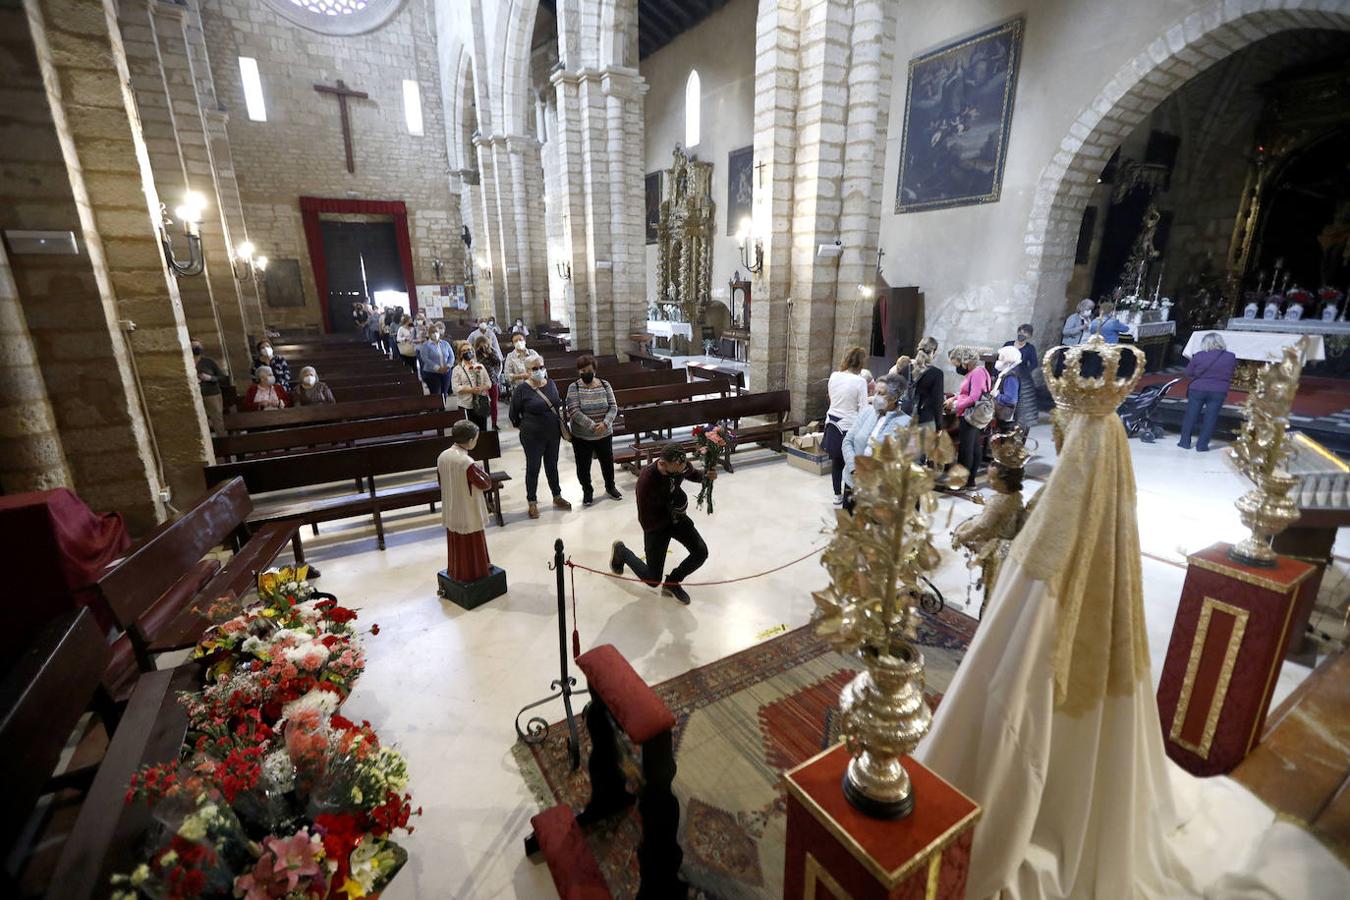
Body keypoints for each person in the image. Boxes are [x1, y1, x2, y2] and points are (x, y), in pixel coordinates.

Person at [916, 340, 1200, 898]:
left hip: (1045, 631)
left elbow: (1033, 568)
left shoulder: (1067, 494)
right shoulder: (1104, 484)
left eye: (1063, 424)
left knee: (1017, 692)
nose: (1060, 435)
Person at [608, 442, 715, 606]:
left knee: (701, 552)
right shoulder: (647, 480)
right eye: (678, 467)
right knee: (652, 579)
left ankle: (672, 582)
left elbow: (692, 473)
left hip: (677, 518)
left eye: (683, 465)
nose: (683, 469)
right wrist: (669, 514)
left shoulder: (680, 465)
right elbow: (645, 516)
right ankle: (621, 551)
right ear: (663, 464)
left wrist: (705, 477)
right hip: (656, 525)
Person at [508, 357, 572, 518]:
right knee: (533, 468)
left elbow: (556, 403)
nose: (539, 370)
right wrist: (526, 426)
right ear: (528, 371)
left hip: (552, 433)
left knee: (552, 466)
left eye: (541, 367)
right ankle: (532, 502)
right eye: (535, 368)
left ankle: (557, 496)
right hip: (532, 436)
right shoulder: (522, 389)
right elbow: (513, 415)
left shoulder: (550, 384)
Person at [436, 419, 496, 583]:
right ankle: (475, 571)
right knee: (472, 542)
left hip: (451, 505)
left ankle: (456, 569)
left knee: (456, 541)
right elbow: (485, 483)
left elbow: (441, 481)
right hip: (467, 507)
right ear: (470, 441)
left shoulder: (442, 456)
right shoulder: (466, 462)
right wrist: (482, 471)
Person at [841, 374, 911, 505]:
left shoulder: (905, 423)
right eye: (875, 392)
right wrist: (854, 468)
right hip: (853, 480)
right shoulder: (867, 412)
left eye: (881, 393)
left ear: (894, 398)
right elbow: (848, 441)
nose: (875, 397)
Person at [566, 355, 622, 507]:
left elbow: (613, 406)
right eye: (583, 370)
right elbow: (574, 411)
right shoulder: (574, 387)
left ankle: (610, 487)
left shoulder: (604, 384)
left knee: (607, 462)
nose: (586, 373)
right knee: (583, 466)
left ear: (595, 370)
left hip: (604, 433)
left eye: (589, 370)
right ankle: (587, 491)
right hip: (582, 436)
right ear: (579, 372)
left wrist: (605, 423)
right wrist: (592, 426)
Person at [823, 346, 869, 506]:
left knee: (837, 462)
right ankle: (851, 496)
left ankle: (837, 494)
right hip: (849, 426)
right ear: (861, 364)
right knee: (851, 463)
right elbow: (863, 409)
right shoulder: (860, 381)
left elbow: (831, 397)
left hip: (832, 423)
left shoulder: (834, 376)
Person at [1177, 332, 1237, 452]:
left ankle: (1184, 442)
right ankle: (1202, 445)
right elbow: (1231, 372)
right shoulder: (1230, 356)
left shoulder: (1199, 355)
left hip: (1198, 388)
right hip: (1219, 390)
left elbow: (1188, 372)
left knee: (1191, 416)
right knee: (1211, 418)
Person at [945, 347, 992, 490]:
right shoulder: (976, 371)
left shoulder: (977, 373)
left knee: (966, 450)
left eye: (958, 365)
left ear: (965, 361)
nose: (958, 368)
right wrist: (954, 397)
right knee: (974, 447)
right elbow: (966, 392)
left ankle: (961, 483)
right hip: (973, 414)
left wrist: (955, 405)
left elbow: (974, 397)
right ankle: (970, 481)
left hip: (971, 415)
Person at [1002, 324, 1039, 431]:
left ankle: (1019, 423)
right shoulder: (1008, 344)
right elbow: (1000, 357)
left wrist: (1024, 372)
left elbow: (1034, 363)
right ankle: (1004, 420)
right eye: (1021, 332)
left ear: (1029, 336)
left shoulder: (1030, 348)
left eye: (1025, 333)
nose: (1022, 334)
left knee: (1022, 401)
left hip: (1022, 376)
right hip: (1006, 372)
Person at [452, 340, 492, 430]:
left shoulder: (480, 366)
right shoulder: (457, 369)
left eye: (469, 350)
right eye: (464, 351)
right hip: (466, 404)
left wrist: (481, 388)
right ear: (460, 354)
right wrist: (471, 390)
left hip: (480, 403)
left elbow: (488, 383)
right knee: (470, 431)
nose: (467, 352)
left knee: (483, 430)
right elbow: (455, 388)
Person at [190, 339, 227, 435]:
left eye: (198, 346)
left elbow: (222, 377)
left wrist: (210, 378)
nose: (197, 348)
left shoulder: (208, 362)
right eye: (194, 346)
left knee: (217, 419)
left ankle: (222, 439)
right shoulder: (188, 363)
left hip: (211, 394)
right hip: (195, 396)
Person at [910, 349, 945, 432]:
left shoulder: (908, 368)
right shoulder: (937, 373)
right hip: (925, 418)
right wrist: (939, 425)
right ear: (932, 353)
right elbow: (938, 401)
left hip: (906, 416)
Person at [473, 334, 502, 429]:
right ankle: (482, 424)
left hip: (493, 380)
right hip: (481, 381)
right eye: (481, 345)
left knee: (494, 403)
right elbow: (475, 364)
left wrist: (489, 353)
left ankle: (494, 423)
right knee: (483, 403)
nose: (483, 346)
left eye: (485, 344)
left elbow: (497, 362)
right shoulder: (476, 353)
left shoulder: (492, 351)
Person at [418, 324, 453, 402]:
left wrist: (448, 366)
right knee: (436, 392)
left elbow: (451, 356)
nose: (435, 334)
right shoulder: (425, 345)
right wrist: (437, 368)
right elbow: (425, 358)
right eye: (432, 332)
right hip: (431, 373)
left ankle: (442, 408)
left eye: (436, 332)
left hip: (446, 371)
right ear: (429, 334)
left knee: (444, 391)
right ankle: (435, 408)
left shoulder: (445, 344)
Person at [992, 345, 1023, 432]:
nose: (999, 361)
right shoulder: (1011, 372)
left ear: (1008, 360)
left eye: (1001, 358)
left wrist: (997, 395)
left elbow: (1011, 399)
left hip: (1006, 417)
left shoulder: (1011, 376)